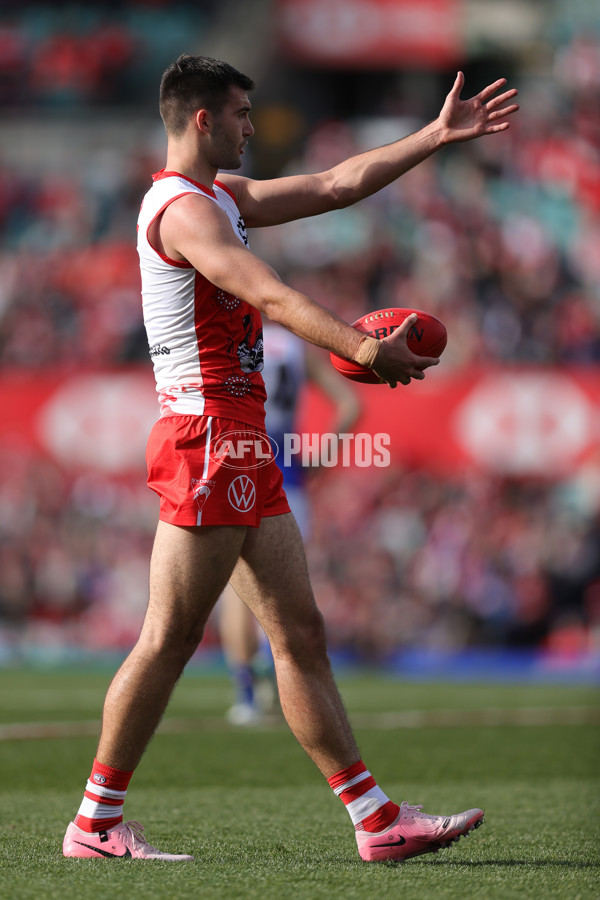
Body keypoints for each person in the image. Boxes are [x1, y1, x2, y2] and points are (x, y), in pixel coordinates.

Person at [62, 54, 518, 862]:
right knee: (170, 637)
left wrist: (437, 135)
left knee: (298, 633)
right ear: (202, 119)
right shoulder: (184, 211)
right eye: (240, 113)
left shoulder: (218, 198)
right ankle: (95, 823)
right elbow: (268, 294)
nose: (250, 126)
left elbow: (338, 184)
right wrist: (364, 351)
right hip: (210, 439)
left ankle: (376, 823)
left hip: (240, 441)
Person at [220, 324, 361, 725]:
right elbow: (351, 405)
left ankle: (247, 696)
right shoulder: (294, 347)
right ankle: (280, 684)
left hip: (238, 470)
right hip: (287, 480)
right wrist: (317, 460)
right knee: (281, 591)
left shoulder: (229, 335)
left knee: (238, 593)